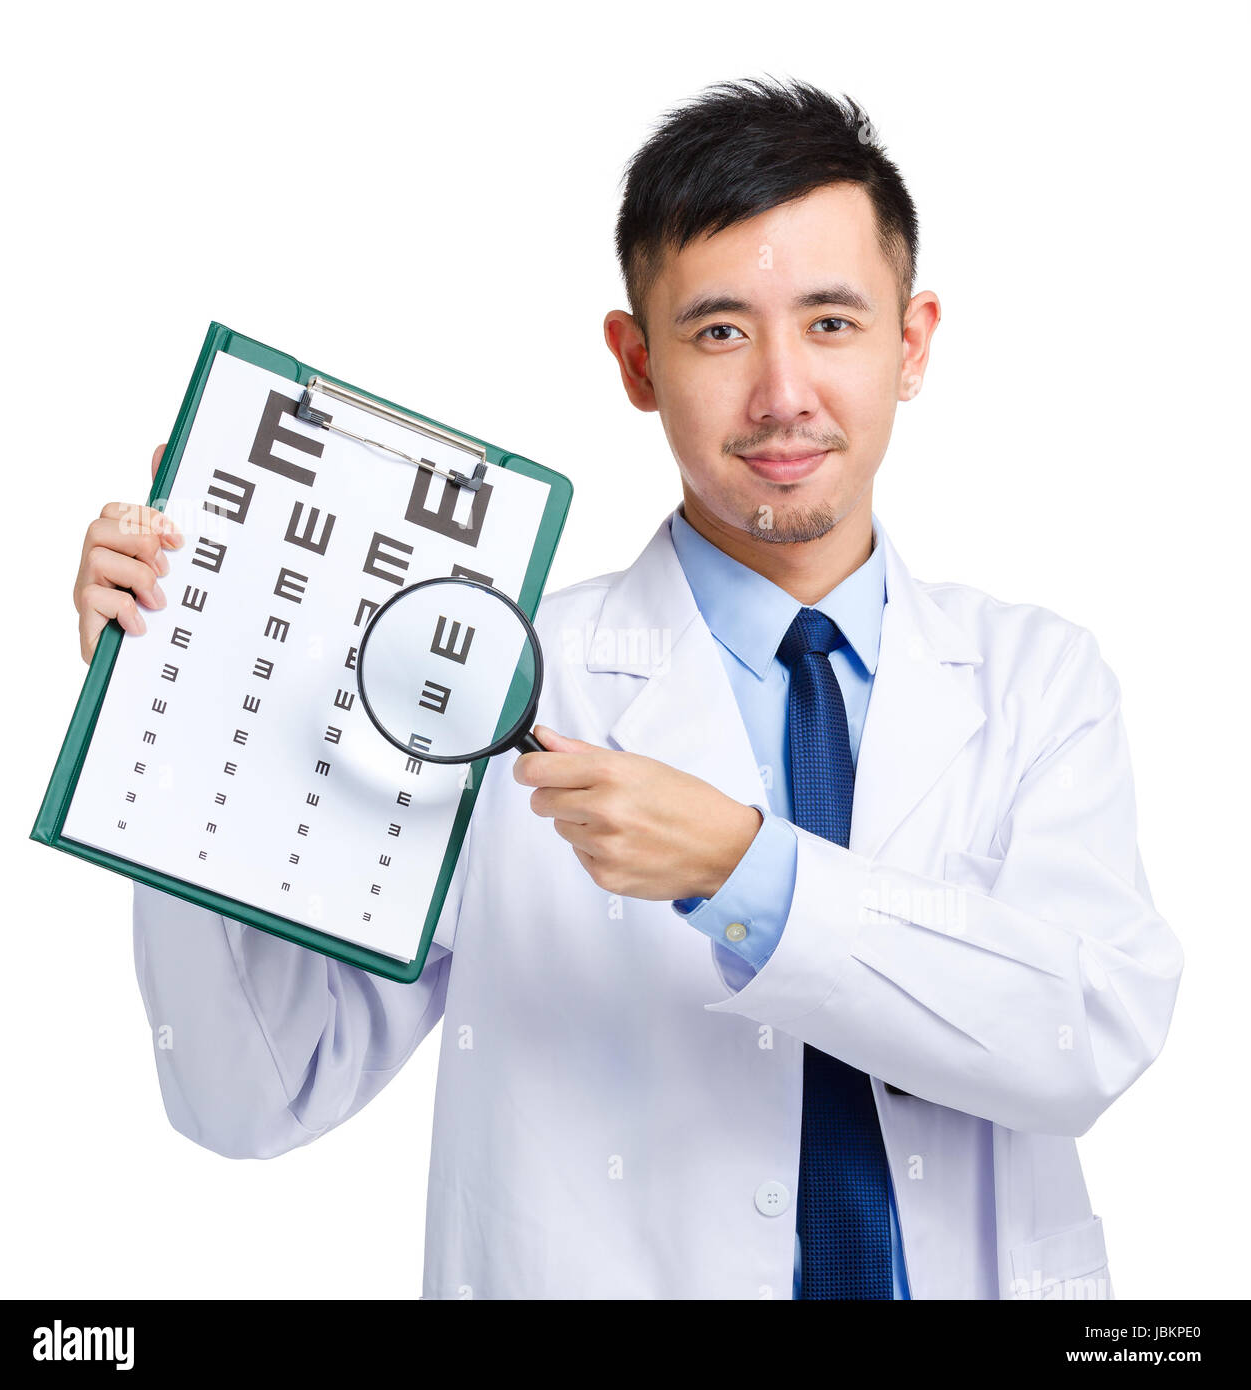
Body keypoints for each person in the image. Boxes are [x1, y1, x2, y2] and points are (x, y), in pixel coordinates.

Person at [72, 79, 1182, 1300]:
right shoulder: (487, 686)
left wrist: (742, 869)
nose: (779, 394)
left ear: (909, 343)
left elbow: (1079, 1037)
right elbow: (253, 1092)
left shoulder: (1037, 680)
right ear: (634, 359)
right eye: (716, 331)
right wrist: (170, 698)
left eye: (829, 322)